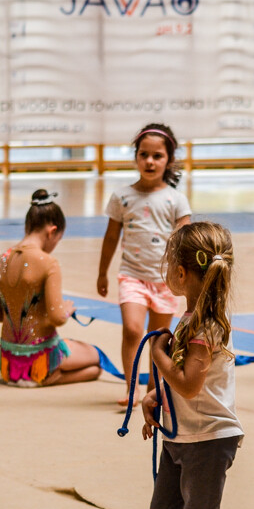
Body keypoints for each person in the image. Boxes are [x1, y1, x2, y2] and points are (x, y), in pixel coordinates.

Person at [140, 221, 242, 509]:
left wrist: (157, 353)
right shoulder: (190, 319)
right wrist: (156, 396)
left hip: (209, 440)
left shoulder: (204, 326)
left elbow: (188, 383)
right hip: (183, 434)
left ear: (181, 273)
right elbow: (183, 384)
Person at [97, 123, 191, 406]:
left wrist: (186, 280)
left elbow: (185, 244)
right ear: (136, 157)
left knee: (159, 339)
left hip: (165, 281)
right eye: (144, 154)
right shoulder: (121, 197)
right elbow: (111, 237)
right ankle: (131, 388)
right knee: (132, 329)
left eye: (157, 156)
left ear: (169, 160)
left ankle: (153, 386)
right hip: (132, 276)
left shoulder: (176, 200)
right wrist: (102, 273)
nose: (150, 161)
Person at [0, 189, 101, 386]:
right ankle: (46, 376)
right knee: (97, 360)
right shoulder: (48, 263)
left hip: (9, 363)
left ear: (27, 226)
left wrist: (17, 314)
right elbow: (57, 318)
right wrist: (65, 310)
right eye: (58, 239)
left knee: (91, 366)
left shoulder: (0, 261)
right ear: (52, 231)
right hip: (41, 356)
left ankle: (25, 375)